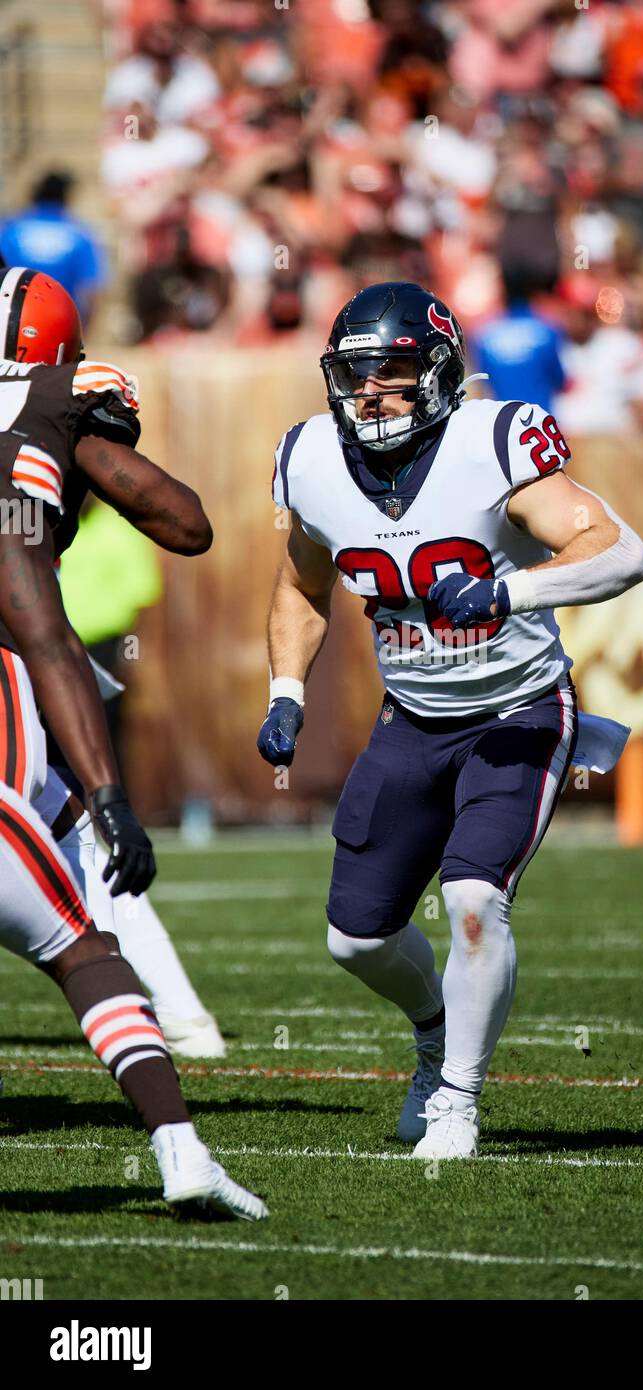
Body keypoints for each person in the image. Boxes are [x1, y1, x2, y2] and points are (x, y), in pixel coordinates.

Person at [258, 282, 643, 1159]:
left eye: (394, 373)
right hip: (414, 718)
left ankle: (458, 1102)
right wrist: (287, 690)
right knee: (355, 940)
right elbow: (301, 585)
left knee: (475, 899)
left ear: (438, 374)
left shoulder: (491, 441)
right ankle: (434, 1037)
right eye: (358, 376)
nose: (373, 393)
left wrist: (508, 589)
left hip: (518, 710)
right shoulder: (314, 458)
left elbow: (622, 551)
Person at [0, 294, 264, 1219]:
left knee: (76, 856)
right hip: (19, 689)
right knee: (79, 936)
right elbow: (184, 524)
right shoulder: (60, 402)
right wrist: (114, 797)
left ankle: (184, 1022)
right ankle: (182, 1147)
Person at [0, 172, 106, 324]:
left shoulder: (11, 229)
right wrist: (83, 331)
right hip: (59, 322)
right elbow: (92, 290)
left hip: (12, 318)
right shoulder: (80, 234)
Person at [471, 269, 567, 414]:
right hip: (541, 421)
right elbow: (559, 380)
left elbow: (484, 383)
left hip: (501, 423)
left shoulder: (484, 336)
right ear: (531, 291)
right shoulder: (547, 330)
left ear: (502, 290)